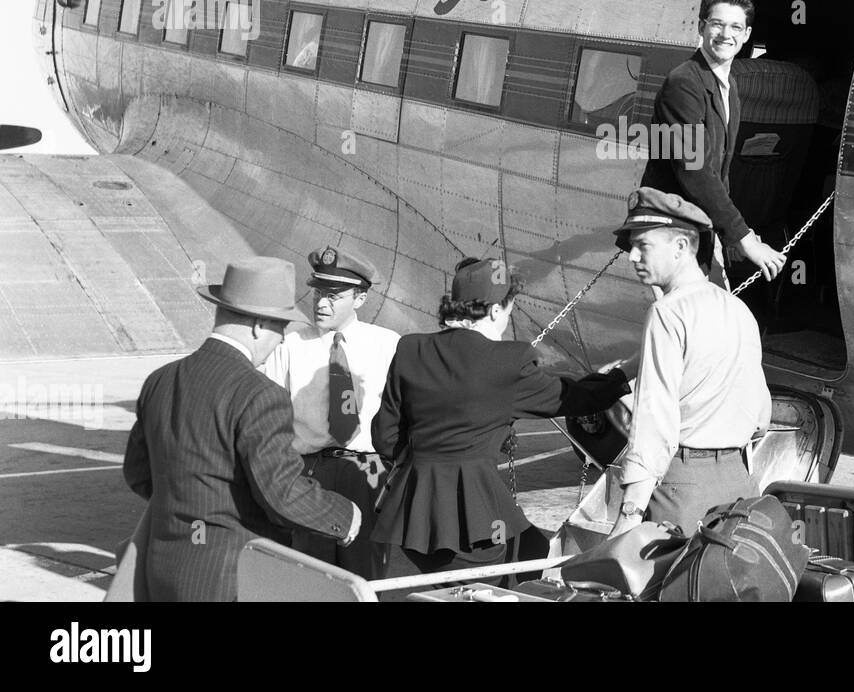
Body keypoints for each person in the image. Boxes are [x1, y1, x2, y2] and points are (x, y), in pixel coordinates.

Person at [371, 257, 631, 582]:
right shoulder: (508, 361)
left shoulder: (410, 349)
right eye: (508, 310)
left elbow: (384, 436)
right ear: (495, 311)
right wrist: (621, 376)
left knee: (520, 553)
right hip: (474, 518)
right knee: (501, 578)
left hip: (413, 516)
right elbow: (575, 397)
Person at [122, 257, 360, 602]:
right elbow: (281, 494)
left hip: (163, 568)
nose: (280, 341)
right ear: (258, 325)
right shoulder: (260, 394)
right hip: (229, 577)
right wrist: (344, 515)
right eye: (280, 328)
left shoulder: (161, 380)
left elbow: (139, 474)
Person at [609, 188, 773, 537]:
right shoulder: (739, 310)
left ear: (681, 247)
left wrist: (629, 515)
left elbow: (655, 421)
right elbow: (761, 418)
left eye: (643, 245)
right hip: (740, 486)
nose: (631, 256)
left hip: (683, 491)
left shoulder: (666, 314)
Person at [261, 246, 399, 580]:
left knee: (365, 577)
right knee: (311, 576)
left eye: (334, 296)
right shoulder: (290, 345)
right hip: (310, 473)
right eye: (319, 291)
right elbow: (269, 417)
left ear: (361, 298)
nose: (321, 302)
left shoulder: (388, 345)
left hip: (369, 473)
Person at [641, 0, 786, 283]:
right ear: (701, 26)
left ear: (746, 35)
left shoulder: (727, 85)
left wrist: (730, 233)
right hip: (670, 237)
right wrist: (743, 238)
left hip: (697, 229)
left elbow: (719, 172)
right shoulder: (684, 84)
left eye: (736, 27)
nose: (725, 34)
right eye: (717, 24)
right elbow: (695, 169)